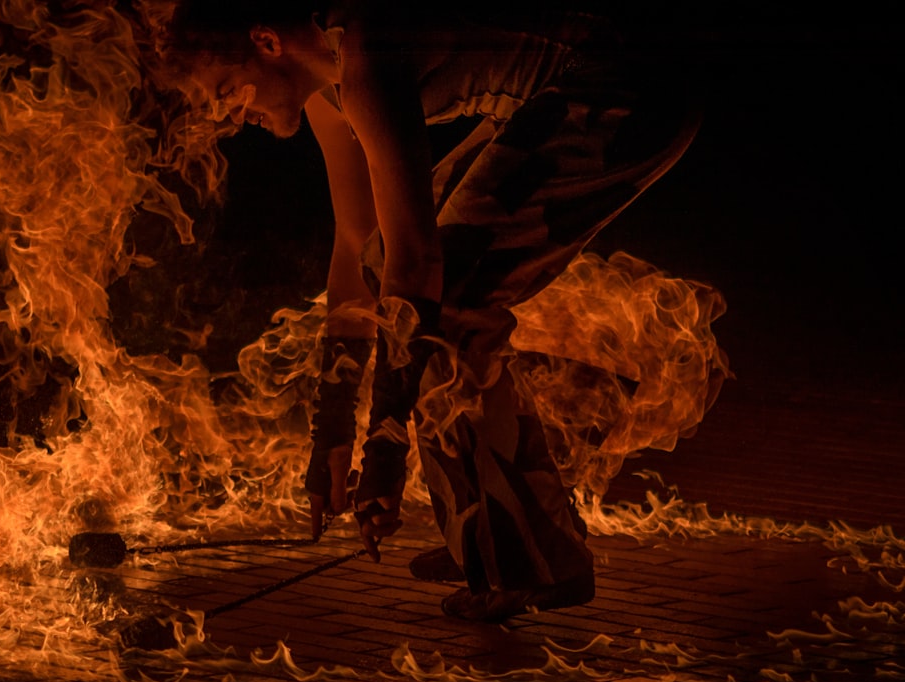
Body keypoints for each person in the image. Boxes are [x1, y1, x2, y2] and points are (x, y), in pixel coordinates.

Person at [158, 1, 700, 621]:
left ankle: (534, 555)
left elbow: (418, 265)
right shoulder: (329, 91)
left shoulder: (364, 53)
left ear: (266, 41)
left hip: (629, 88)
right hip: (561, 94)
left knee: (447, 303)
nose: (231, 116)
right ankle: (488, 531)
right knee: (391, 271)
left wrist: (383, 455)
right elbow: (357, 242)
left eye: (227, 91)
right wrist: (331, 433)